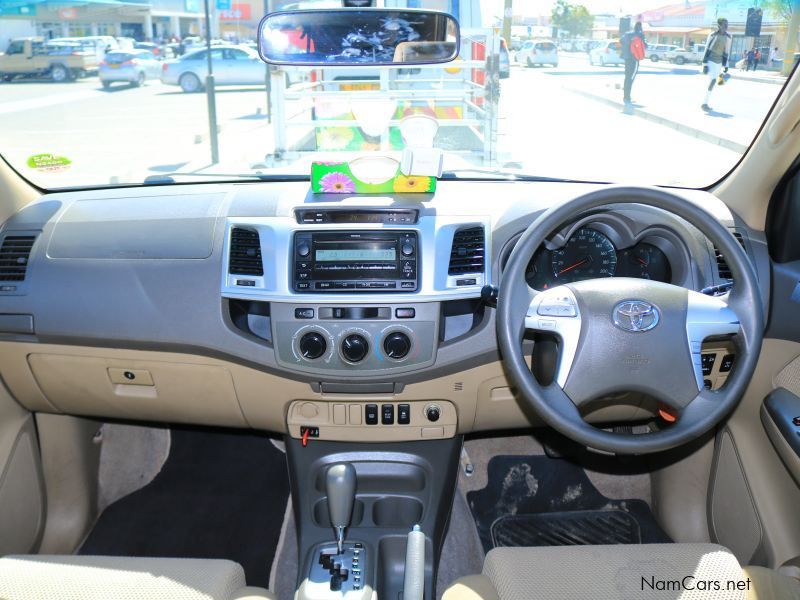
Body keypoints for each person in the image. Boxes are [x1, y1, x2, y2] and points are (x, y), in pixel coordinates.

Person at [701, 18, 732, 112]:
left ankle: (721, 80)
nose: (726, 26)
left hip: (719, 62)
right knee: (713, 80)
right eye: (724, 24)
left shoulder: (728, 37)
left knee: (717, 81)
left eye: (727, 24)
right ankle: (704, 103)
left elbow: (727, 51)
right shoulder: (713, 35)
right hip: (710, 60)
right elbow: (707, 49)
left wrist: (726, 66)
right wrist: (704, 64)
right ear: (719, 25)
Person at [620, 21, 645, 106]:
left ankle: (625, 97)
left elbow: (621, 41)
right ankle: (627, 97)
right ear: (640, 27)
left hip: (627, 59)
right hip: (635, 59)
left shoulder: (627, 34)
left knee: (627, 77)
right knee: (631, 78)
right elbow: (644, 46)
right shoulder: (640, 34)